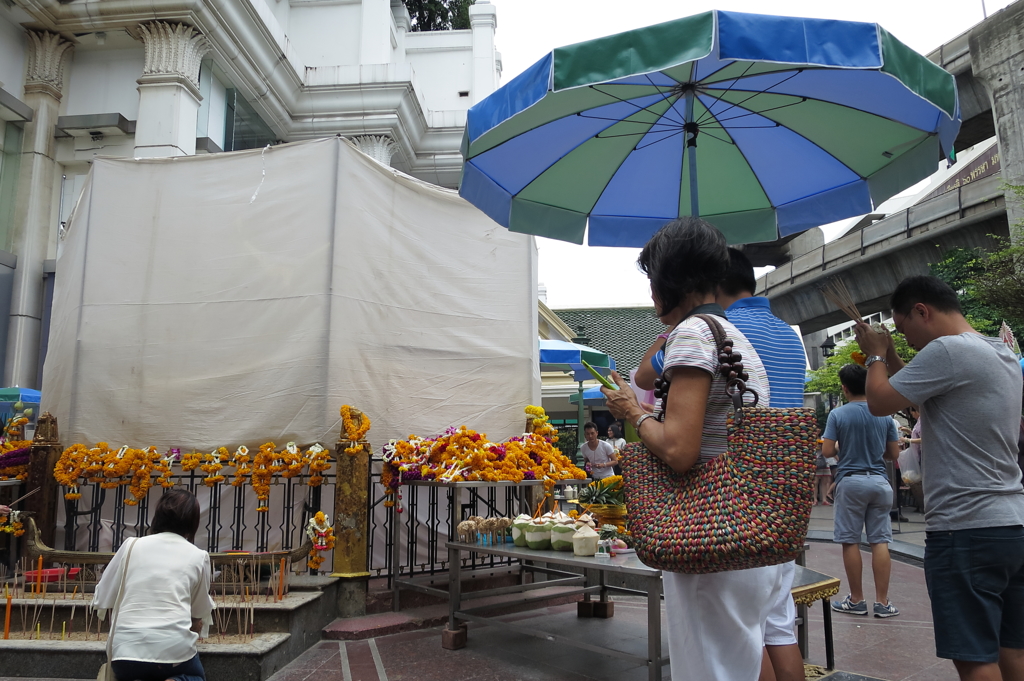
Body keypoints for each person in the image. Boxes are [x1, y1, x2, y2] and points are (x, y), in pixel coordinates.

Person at [602, 217, 779, 681]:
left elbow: (679, 450)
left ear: (669, 282)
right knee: (737, 655)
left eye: (652, 281)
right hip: (743, 520)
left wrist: (632, 412)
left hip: (706, 526)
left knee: (709, 665)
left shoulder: (691, 335)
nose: (650, 294)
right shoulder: (731, 335)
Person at [854, 275, 1024, 681]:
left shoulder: (947, 351)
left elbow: (878, 402)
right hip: (1011, 523)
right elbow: (911, 391)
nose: (906, 340)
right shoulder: (996, 351)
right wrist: (891, 354)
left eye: (903, 329)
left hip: (965, 529)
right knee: (1010, 648)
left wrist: (875, 356)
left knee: (975, 656)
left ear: (921, 311)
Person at [716, 247, 808, 681]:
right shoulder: (789, 334)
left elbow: (645, 376)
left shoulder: (719, 329)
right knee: (778, 620)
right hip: (788, 494)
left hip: (740, 493)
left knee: (744, 626)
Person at [93, 489, 216, 681]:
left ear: (157, 517)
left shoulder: (131, 545)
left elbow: (102, 597)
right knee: (195, 678)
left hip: (126, 653)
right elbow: (199, 611)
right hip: (174, 653)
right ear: (193, 523)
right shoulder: (199, 556)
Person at [825, 364, 901, 618]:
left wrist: (840, 447)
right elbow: (893, 454)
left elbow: (827, 452)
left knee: (851, 541)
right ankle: (883, 602)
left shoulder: (838, 415)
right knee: (880, 541)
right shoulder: (885, 416)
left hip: (851, 482)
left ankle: (857, 600)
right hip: (880, 483)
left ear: (844, 388)